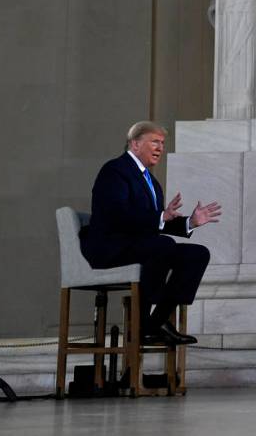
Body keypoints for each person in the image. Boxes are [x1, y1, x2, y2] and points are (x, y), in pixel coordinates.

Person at [80, 122, 222, 345]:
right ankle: (142, 321)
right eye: (155, 142)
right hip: (110, 246)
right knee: (161, 245)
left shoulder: (151, 181)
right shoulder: (115, 170)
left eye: (163, 143)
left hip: (140, 246)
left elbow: (158, 221)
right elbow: (116, 215)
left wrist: (190, 222)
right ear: (135, 144)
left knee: (197, 254)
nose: (160, 148)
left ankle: (155, 322)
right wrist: (160, 218)